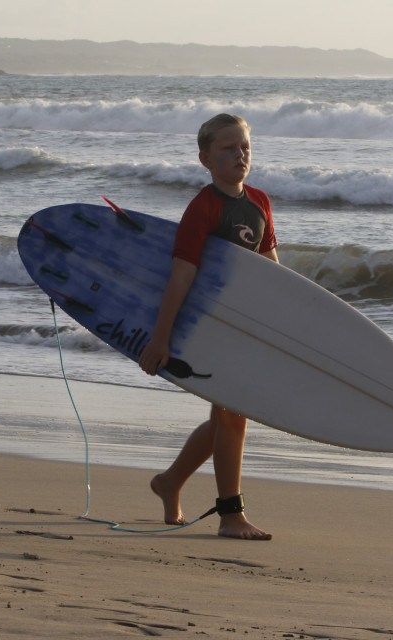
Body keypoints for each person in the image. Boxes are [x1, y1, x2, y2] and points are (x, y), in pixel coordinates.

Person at [138, 113, 278, 540]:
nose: (240, 155)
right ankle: (230, 515)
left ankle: (170, 482)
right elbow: (181, 276)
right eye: (228, 148)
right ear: (205, 159)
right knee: (234, 417)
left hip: (243, 327)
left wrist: (283, 329)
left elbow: (272, 271)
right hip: (207, 326)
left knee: (224, 420)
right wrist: (160, 339)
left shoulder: (259, 202)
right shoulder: (203, 208)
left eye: (245, 148)